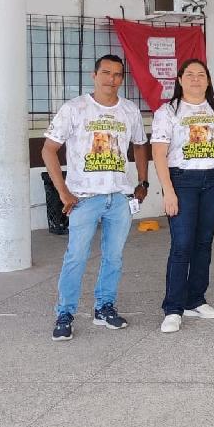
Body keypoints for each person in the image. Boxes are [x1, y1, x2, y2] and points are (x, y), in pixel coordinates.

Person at [42, 54, 149, 341]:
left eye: (117, 74)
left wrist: (143, 181)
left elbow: (140, 145)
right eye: (106, 73)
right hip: (84, 198)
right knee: (76, 257)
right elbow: (48, 150)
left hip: (119, 197)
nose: (111, 79)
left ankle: (104, 307)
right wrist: (63, 191)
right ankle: (65, 313)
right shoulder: (75, 108)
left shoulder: (129, 110)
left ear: (122, 78)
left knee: (114, 257)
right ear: (94, 75)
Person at [151, 59, 214, 333]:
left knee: (203, 243)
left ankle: (195, 299)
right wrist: (168, 190)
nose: (196, 79)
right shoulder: (168, 111)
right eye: (190, 74)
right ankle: (173, 307)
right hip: (182, 181)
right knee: (182, 244)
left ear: (208, 80)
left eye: (201, 74)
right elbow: (159, 152)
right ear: (180, 80)